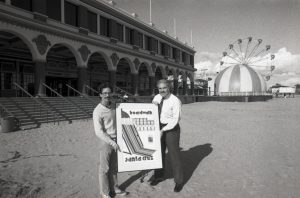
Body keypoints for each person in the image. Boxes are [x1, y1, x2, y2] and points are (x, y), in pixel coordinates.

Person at [93, 84, 128, 198]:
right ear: (100, 95)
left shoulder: (114, 106)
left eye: (109, 93)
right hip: (106, 142)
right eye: (105, 93)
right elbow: (98, 132)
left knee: (114, 167)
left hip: (117, 140)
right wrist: (112, 142)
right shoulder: (97, 111)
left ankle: (115, 188)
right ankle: (105, 192)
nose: (107, 95)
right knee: (104, 169)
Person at [150, 79, 184, 192]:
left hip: (171, 129)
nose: (162, 90)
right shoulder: (157, 97)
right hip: (158, 127)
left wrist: (163, 130)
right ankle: (158, 176)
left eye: (164, 88)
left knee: (174, 155)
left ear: (169, 88)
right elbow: (152, 108)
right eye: (160, 88)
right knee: (158, 153)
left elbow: (176, 119)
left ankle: (179, 181)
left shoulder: (175, 101)